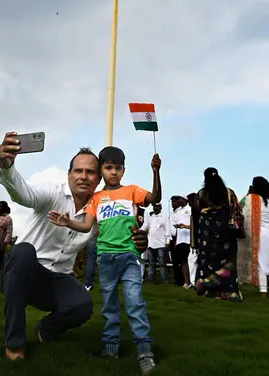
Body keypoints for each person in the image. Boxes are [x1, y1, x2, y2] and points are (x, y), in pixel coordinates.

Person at [0, 133, 148, 362]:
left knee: (83, 305)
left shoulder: (101, 210)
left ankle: (46, 329)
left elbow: (124, 234)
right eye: (78, 171)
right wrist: (7, 166)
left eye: (90, 172)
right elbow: (22, 194)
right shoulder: (52, 194)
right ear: (69, 175)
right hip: (20, 273)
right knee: (24, 250)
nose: (84, 177)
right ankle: (15, 343)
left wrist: (140, 240)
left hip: (57, 280)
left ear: (98, 179)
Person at [48, 147, 162, 374]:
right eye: (108, 168)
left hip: (129, 256)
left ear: (123, 170)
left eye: (117, 168)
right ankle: (111, 348)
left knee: (135, 304)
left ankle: (144, 351)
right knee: (109, 306)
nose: (113, 172)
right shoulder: (96, 198)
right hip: (106, 258)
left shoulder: (131, 191)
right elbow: (87, 225)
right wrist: (68, 222)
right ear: (101, 170)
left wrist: (155, 171)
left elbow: (155, 197)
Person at [195, 168, 243, 301]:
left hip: (207, 234)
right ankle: (230, 292)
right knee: (228, 262)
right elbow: (236, 209)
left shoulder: (202, 193)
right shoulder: (229, 192)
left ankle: (209, 289)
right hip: (226, 232)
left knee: (208, 262)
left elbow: (198, 211)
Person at [238, 176, 269, 301]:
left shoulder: (251, 198)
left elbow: (240, 205)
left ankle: (264, 294)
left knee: (261, 265)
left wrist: (248, 192)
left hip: (260, 234)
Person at [142, 203, 170, 284]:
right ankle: (151, 279)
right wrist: (139, 231)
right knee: (151, 262)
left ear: (160, 207)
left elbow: (167, 230)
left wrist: (167, 242)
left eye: (157, 206)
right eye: (154, 206)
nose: (155, 208)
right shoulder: (151, 217)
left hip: (161, 243)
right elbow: (146, 226)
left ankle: (164, 280)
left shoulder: (164, 217)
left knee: (162, 263)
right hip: (151, 243)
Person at [170, 194, 192, 288]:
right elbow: (178, 227)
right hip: (180, 240)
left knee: (191, 261)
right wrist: (176, 241)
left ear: (184, 199)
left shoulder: (190, 209)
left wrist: (185, 226)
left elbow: (194, 225)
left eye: (179, 199)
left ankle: (192, 281)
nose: (178, 200)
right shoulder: (179, 212)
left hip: (189, 240)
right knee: (183, 261)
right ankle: (186, 282)